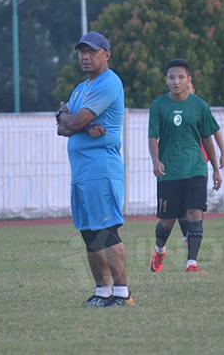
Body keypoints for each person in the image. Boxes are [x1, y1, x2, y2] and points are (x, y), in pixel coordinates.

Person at [56, 31, 134, 308]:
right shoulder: (81, 87)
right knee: (89, 233)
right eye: (82, 52)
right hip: (82, 171)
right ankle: (103, 292)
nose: (85, 57)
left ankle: (122, 294)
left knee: (106, 231)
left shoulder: (108, 83)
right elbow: (62, 125)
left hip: (101, 167)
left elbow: (72, 123)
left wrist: (76, 122)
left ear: (106, 54)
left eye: (92, 51)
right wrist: (78, 123)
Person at [148, 59, 223, 274]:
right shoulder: (158, 106)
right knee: (167, 221)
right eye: (172, 77)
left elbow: (208, 138)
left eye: (181, 77)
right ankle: (159, 250)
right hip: (168, 172)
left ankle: (192, 263)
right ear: (166, 80)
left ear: (189, 80)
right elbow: (153, 137)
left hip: (195, 170)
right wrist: (156, 160)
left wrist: (216, 168)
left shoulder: (200, 106)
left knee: (195, 214)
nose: (176, 81)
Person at [177, 81, 224, 245]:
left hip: (198, 162)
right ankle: (188, 233)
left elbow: (216, 130)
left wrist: (223, 153)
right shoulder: (173, 109)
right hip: (178, 163)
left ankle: (193, 233)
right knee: (178, 203)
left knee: (195, 203)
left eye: (189, 87)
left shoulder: (200, 108)